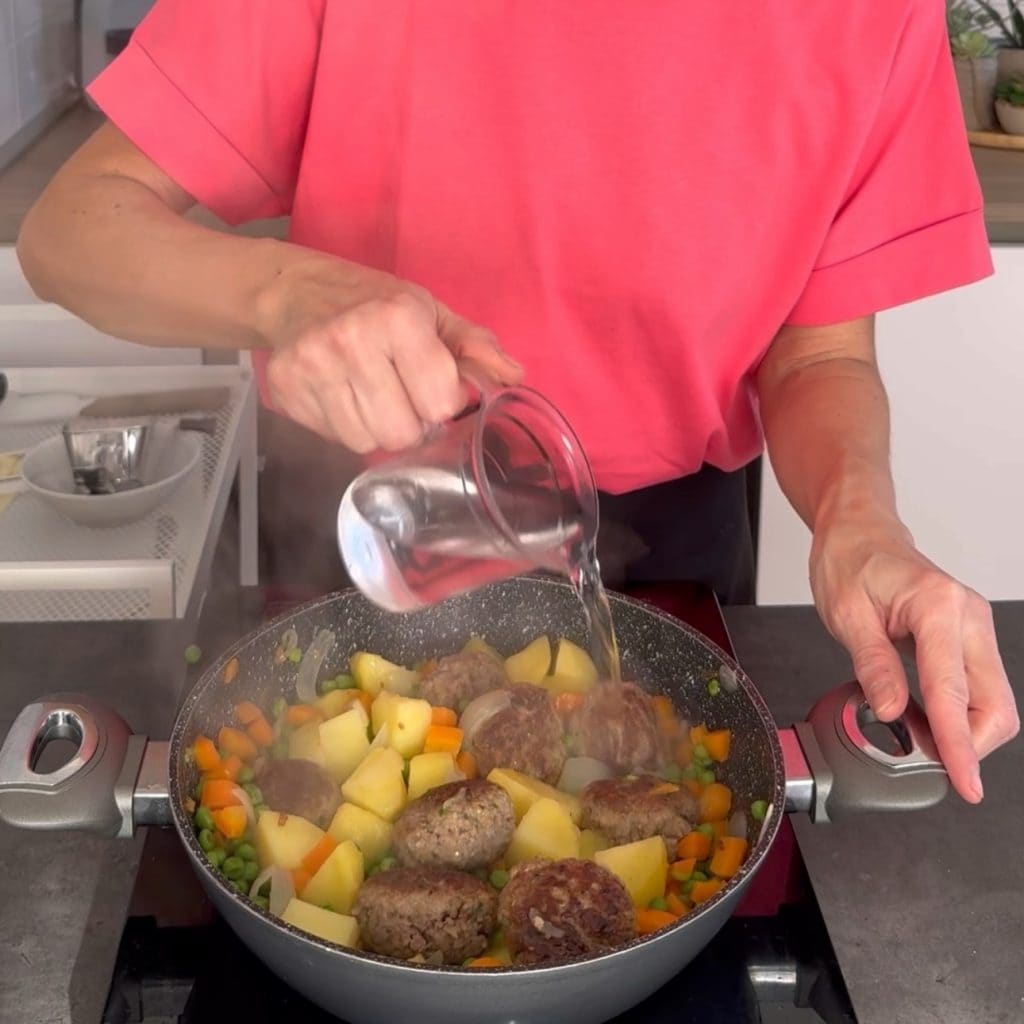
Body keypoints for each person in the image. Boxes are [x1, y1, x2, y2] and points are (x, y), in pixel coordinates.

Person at [16, 0, 1017, 804]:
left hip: (674, 545)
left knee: (670, 826)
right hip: (367, 517)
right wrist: (282, 294)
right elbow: (69, 232)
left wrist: (860, 521)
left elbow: (820, 356)